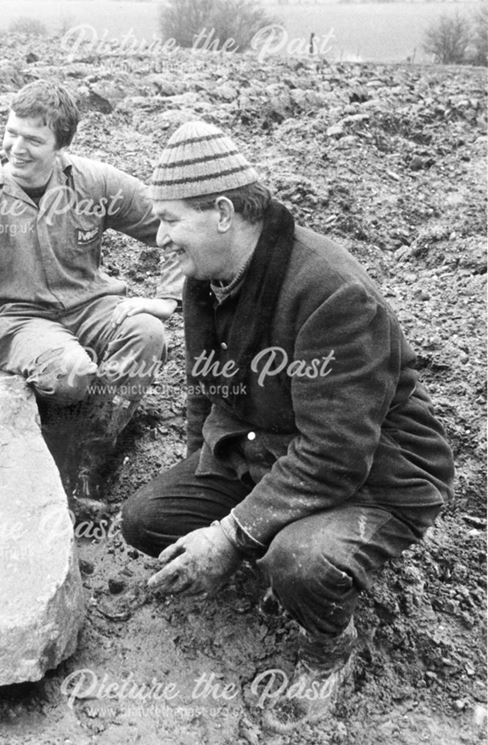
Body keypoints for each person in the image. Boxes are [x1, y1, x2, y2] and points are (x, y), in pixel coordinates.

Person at [120, 121, 453, 728]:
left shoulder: (330, 291)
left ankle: (330, 643)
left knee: (297, 561)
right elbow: (207, 386)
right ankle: (267, 536)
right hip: (264, 452)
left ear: (222, 212)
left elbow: (336, 452)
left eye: (170, 220)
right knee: (147, 521)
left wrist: (227, 535)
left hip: (376, 474)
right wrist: (203, 471)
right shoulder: (207, 273)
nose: (160, 238)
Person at [0, 80, 183, 518]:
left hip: (93, 306)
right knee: (71, 371)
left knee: (147, 333)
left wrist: (168, 299)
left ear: (61, 146)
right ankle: (51, 443)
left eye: (33, 140)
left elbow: (170, 222)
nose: (16, 148)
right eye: (11, 133)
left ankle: (89, 459)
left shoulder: (94, 182)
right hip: (20, 320)